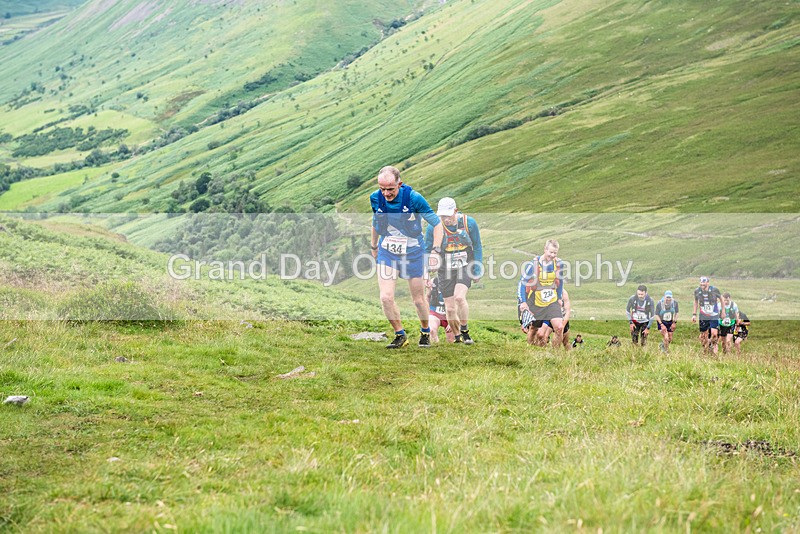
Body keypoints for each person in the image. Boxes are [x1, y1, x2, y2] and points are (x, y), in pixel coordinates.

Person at [370, 166, 443, 349]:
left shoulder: (414, 198)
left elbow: (437, 224)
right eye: (382, 189)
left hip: (413, 252)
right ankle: (400, 334)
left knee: (418, 299)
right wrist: (373, 245)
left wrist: (435, 250)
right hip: (388, 250)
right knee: (386, 297)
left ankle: (425, 331)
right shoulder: (375, 198)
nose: (386, 193)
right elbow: (376, 221)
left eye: (390, 189)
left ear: (399, 184)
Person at [425, 197, 482, 344]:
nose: (445, 219)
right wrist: (426, 271)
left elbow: (477, 246)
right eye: (442, 216)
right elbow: (426, 250)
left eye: (448, 216)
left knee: (459, 298)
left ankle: (465, 331)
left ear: (455, 211)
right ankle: (457, 338)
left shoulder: (469, 223)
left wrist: (477, 269)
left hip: (465, 265)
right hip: (445, 268)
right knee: (450, 309)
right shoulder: (433, 228)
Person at [518, 240, 567, 348]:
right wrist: (523, 302)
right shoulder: (533, 265)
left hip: (552, 302)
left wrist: (559, 298)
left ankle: (556, 356)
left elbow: (561, 281)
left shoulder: (559, 264)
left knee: (559, 327)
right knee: (534, 329)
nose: (552, 255)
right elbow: (522, 283)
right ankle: (530, 350)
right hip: (537, 301)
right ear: (545, 249)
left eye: (555, 253)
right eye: (550, 252)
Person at [692, 276, 725, 354]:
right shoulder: (697, 291)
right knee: (703, 336)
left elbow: (722, 299)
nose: (702, 284)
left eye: (704, 282)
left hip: (714, 314)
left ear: (708, 283)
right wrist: (694, 314)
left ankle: (714, 349)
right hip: (703, 314)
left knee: (714, 334)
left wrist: (723, 311)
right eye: (701, 282)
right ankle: (706, 350)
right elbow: (696, 302)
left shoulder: (714, 290)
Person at [427, 277, 455, 343]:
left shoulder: (457, 283)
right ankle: (435, 349)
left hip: (451, 315)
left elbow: (459, 303)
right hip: (435, 312)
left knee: (452, 341)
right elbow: (427, 296)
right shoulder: (433, 281)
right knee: (431, 331)